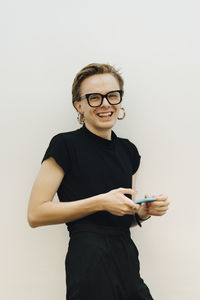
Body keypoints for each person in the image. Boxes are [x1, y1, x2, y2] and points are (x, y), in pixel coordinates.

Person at [27, 63, 169, 300]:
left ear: (120, 100)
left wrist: (141, 212)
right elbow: (35, 213)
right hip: (88, 259)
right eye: (94, 97)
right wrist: (100, 202)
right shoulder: (65, 145)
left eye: (112, 95)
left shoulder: (128, 150)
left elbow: (122, 217)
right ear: (79, 105)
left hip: (126, 257)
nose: (105, 104)